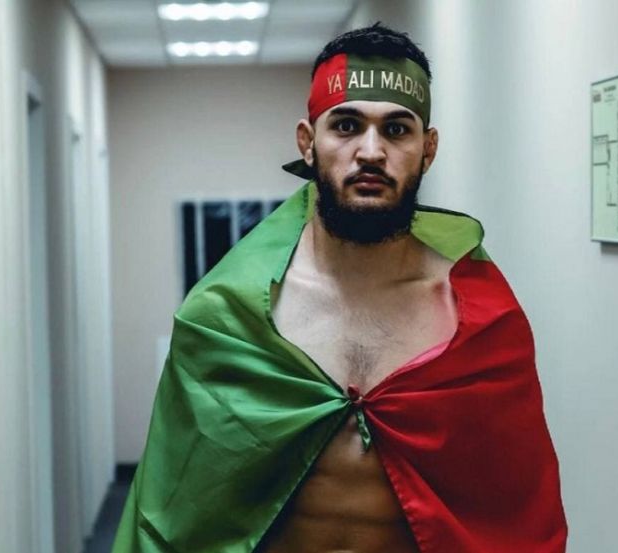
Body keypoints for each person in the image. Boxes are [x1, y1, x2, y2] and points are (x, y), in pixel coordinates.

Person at [112, 23, 567, 553]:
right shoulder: (226, 318)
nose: (371, 151)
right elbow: (171, 510)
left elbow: (518, 515)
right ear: (308, 142)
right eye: (347, 126)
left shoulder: (484, 326)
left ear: (428, 149)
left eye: (396, 130)